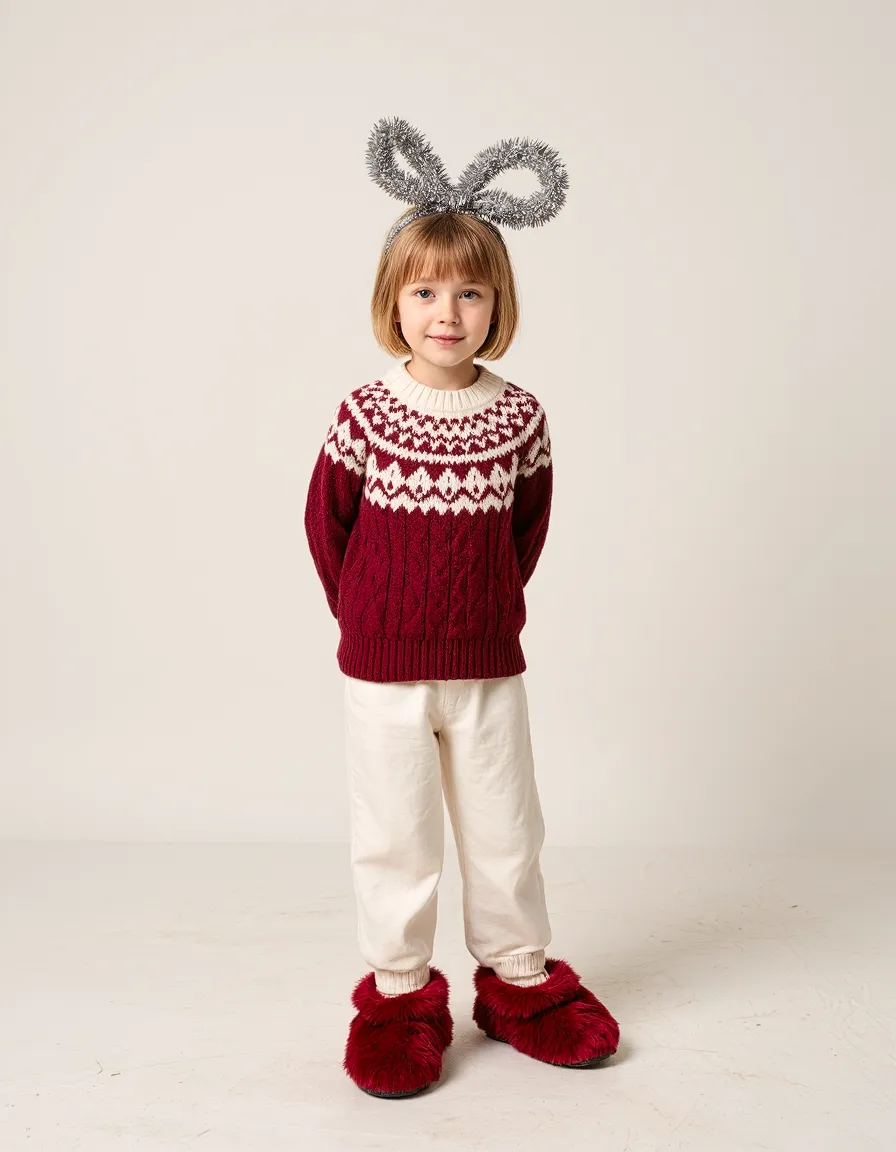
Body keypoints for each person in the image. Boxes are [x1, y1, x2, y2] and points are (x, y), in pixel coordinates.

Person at [303, 118, 619, 1099]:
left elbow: (525, 528)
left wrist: (484, 611)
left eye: (470, 291)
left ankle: (517, 984)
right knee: (393, 836)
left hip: (485, 664)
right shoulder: (365, 412)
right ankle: (398, 995)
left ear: (497, 304)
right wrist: (368, 621)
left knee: (504, 831)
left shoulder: (517, 417)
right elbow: (327, 525)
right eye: (426, 290)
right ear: (394, 302)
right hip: (383, 670)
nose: (448, 311)